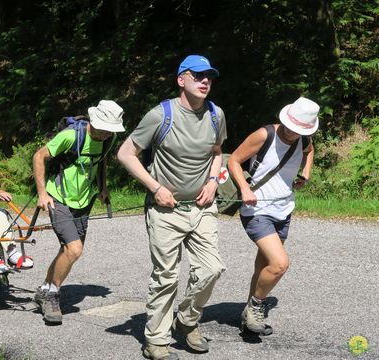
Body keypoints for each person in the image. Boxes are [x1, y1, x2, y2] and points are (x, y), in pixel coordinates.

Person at [117, 55, 227, 359]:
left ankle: (187, 320)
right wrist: (156, 187)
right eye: (198, 76)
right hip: (165, 211)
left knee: (212, 269)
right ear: (181, 80)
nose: (206, 81)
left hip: (202, 207)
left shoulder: (216, 114)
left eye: (210, 77)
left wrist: (214, 182)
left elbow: (218, 152)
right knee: (166, 276)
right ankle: (156, 341)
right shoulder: (160, 115)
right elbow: (126, 154)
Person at [227, 97, 318, 336]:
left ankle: (248, 316)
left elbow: (310, 151)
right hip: (256, 209)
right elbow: (234, 160)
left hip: (284, 209)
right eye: (290, 127)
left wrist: (306, 174)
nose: (292, 133)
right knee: (279, 264)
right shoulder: (264, 135)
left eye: (298, 131)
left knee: (265, 264)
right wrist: (245, 189)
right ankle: (256, 306)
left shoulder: (304, 139)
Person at [32, 99, 125, 325]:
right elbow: (38, 156)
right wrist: (42, 193)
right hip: (58, 198)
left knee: (68, 250)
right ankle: (51, 296)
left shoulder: (108, 139)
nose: (107, 134)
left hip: (85, 200)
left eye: (111, 130)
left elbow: (101, 162)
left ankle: (45, 288)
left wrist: (103, 188)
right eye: (105, 129)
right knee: (74, 250)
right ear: (94, 121)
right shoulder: (72, 136)